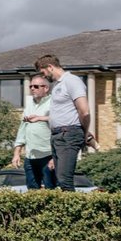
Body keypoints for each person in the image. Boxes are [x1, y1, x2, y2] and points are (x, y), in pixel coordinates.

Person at [34, 54, 95, 191]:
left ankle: (73, 212)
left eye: (43, 72)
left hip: (68, 134)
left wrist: (84, 133)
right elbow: (61, 115)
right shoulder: (57, 86)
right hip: (57, 136)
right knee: (59, 179)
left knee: (64, 179)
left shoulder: (72, 81)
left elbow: (84, 111)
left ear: (50, 67)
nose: (43, 76)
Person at [11, 76, 57, 189]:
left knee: (50, 190)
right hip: (30, 156)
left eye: (36, 86)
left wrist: (55, 157)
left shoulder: (54, 103)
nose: (32, 89)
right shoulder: (29, 105)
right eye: (30, 86)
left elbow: (60, 125)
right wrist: (16, 154)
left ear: (46, 88)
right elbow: (22, 130)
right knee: (32, 190)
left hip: (48, 156)